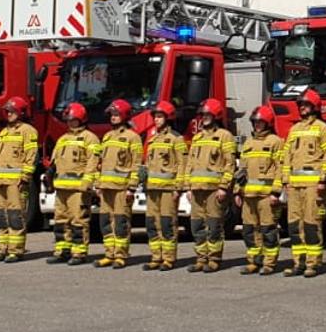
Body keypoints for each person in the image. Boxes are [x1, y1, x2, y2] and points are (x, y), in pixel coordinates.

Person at [279, 89, 326, 277]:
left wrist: (323, 180)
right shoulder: (294, 130)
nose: (302, 107)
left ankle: (313, 263)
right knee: (294, 225)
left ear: (314, 106)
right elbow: (286, 156)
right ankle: (298, 263)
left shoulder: (323, 128)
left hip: (313, 185)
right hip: (294, 185)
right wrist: (285, 180)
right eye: (300, 105)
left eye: (305, 104)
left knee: (311, 224)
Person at [184, 98, 238, 273]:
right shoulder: (197, 137)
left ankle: (214, 259)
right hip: (197, 190)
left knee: (214, 226)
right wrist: (188, 186)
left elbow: (230, 164)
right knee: (197, 226)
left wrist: (224, 187)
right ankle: (201, 258)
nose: (204, 117)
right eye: (203, 114)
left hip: (214, 190)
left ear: (216, 115)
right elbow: (190, 164)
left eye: (208, 114)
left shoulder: (225, 136)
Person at [91, 99, 144, 268]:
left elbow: (136, 164)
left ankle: (121, 255)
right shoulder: (107, 136)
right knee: (106, 221)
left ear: (124, 115)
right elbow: (100, 163)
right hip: (106, 188)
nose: (113, 118)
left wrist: (132, 187)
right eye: (111, 115)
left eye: (116, 114)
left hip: (122, 188)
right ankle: (109, 253)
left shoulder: (133, 137)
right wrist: (98, 184)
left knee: (121, 222)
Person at [45, 103, 98, 265]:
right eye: (67, 120)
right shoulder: (63, 139)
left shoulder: (90, 138)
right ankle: (62, 250)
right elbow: (55, 161)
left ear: (80, 119)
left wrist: (87, 184)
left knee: (78, 221)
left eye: (72, 120)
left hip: (78, 189)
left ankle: (79, 252)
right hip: (61, 188)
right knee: (60, 220)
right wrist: (50, 175)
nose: (69, 122)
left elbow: (93, 162)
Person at [0, 97, 40, 262]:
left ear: (21, 112)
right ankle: (2, 249)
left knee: (15, 216)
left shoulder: (28, 131)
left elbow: (31, 156)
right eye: (8, 111)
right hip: (0, 182)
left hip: (16, 183)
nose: (9, 114)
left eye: (12, 111)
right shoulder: (4, 132)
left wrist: (25, 177)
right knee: (0, 217)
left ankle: (16, 250)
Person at [236, 105, 284, 275]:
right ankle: (253, 261)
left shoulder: (275, 142)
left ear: (268, 123)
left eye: (260, 122)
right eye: (255, 122)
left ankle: (269, 263)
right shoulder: (248, 143)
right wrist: (237, 191)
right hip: (248, 195)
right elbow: (241, 170)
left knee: (268, 230)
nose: (257, 125)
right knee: (249, 230)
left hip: (266, 196)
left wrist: (276, 192)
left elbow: (281, 168)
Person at [141, 102, 188, 271]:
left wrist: (178, 188)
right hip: (152, 189)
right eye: (155, 116)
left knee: (167, 224)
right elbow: (148, 163)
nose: (156, 119)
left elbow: (182, 164)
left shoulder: (177, 139)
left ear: (168, 118)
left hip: (168, 189)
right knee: (152, 223)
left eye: (160, 116)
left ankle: (168, 258)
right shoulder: (153, 138)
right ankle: (156, 256)